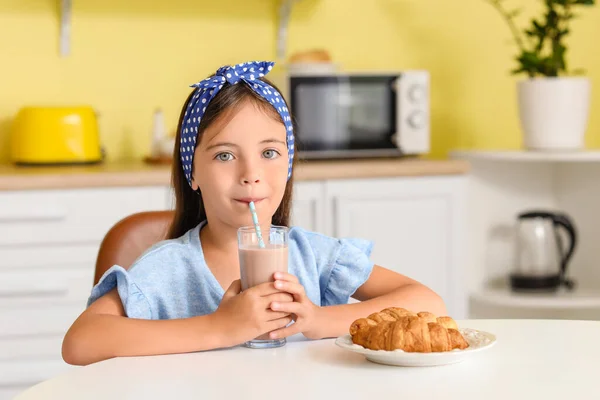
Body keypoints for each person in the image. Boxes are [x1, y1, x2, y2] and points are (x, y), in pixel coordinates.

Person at [61, 60, 446, 366]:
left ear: (289, 165)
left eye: (269, 153)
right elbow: (80, 342)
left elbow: (428, 302)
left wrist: (316, 320)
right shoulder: (168, 269)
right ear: (192, 171)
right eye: (225, 155)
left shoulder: (313, 256)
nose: (251, 175)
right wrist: (219, 327)